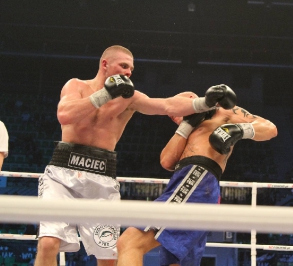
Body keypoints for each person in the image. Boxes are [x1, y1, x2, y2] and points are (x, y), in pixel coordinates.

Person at [35, 45, 237, 266]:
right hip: (62, 173)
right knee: (48, 244)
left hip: (101, 179)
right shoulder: (76, 86)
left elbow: (167, 104)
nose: (129, 72)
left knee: (108, 258)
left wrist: (204, 102)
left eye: (131, 68)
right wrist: (104, 95)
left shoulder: (129, 99)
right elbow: (64, 115)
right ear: (105, 64)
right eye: (124, 66)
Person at [116, 92, 278, 266]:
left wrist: (236, 130)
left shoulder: (224, 111)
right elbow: (167, 161)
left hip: (198, 180)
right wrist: (186, 125)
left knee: (130, 242)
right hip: (187, 184)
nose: (176, 113)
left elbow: (270, 128)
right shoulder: (188, 129)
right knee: (175, 262)